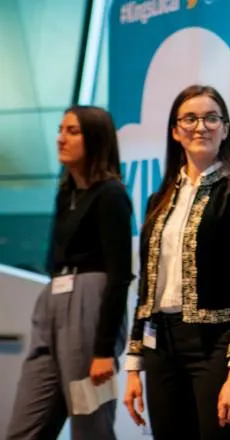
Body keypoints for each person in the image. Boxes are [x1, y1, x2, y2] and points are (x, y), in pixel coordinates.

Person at [122, 84, 230, 439]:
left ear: (225, 129)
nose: (200, 126)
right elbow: (146, 286)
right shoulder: (158, 201)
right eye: (190, 118)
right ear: (175, 131)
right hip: (162, 347)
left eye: (211, 118)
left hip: (217, 347)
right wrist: (133, 367)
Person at [6, 106, 133, 440]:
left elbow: (120, 275)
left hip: (89, 309)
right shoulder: (66, 194)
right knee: (25, 424)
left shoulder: (111, 195)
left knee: (90, 423)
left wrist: (103, 350)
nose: (61, 138)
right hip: (53, 306)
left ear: (95, 138)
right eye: (61, 129)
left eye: (73, 131)